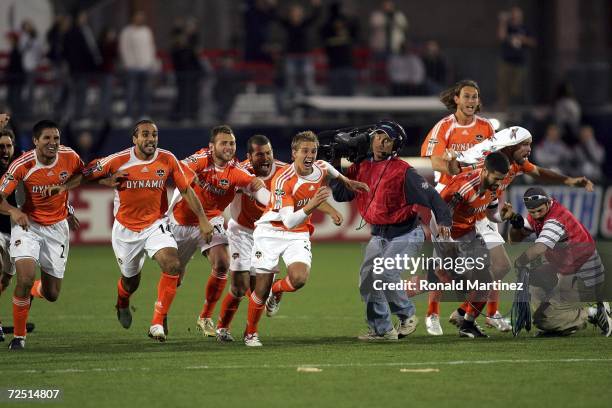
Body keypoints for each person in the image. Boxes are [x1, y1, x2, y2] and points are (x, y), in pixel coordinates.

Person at [444, 126, 594, 332]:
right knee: (447, 276)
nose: (529, 149)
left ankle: (466, 315)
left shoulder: (517, 164)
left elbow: (540, 172)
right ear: (511, 146)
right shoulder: (484, 162)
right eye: (525, 144)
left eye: (530, 145)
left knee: (501, 266)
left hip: (485, 216)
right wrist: (452, 162)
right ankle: (460, 313)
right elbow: (455, 175)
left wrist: (567, 180)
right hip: (463, 221)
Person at [83, 120, 211, 342]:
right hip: (125, 230)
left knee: (173, 264)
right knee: (131, 281)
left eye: (154, 134)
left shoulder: (167, 158)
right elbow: (86, 172)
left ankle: (157, 322)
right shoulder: (119, 160)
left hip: (155, 224)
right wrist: (107, 180)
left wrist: (203, 219)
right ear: (134, 138)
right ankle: (122, 301)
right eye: (145, 134)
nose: (151, 139)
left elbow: (186, 190)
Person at [243, 131, 368, 346]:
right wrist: (313, 205)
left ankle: (277, 289)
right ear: (294, 153)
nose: (309, 155)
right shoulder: (283, 180)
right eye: (304, 151)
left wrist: (347, 181)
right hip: (270, 232)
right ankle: (251, 332)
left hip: (297, 234)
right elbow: (288, 221)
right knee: (260, 290)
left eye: (313, 150)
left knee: (299, 279)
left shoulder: (318, 167)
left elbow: (327, 167)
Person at [330, 121, 452, 340]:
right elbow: (341, 195)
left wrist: (444, 220)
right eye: (378, 136)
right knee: (368, 280)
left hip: (406, 233)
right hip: (378, 235)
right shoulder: (361, 165)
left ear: (395, 146)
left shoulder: (403, 171)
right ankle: (382, 330)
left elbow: (432, 196)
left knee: (385, 273)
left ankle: (407, 315)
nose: (380, 142)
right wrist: (336, 164)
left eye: (387, 139)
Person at [215, 134, 342, 342]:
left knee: (260, 288)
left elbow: (305, 196)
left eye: (269, 153)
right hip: (243, 231)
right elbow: (219, 191)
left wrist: (330, 210)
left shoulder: (284, 171)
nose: (265, 159)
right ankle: (223, 327)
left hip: (272, 230)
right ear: (249, 156)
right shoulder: (240, 172)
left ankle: (262, 311)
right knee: (239, 286)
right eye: (259, 155)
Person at [167, 125, 267, 338]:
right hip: (181, 221)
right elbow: (178, 171)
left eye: (232, 143)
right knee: (175, 273)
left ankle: (205, 317)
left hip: (212, 219)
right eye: (224, 143)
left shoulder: (237, 171)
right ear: (212, 146)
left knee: (222, 262)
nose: (229, 147)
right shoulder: (200, 159)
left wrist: (269, 198)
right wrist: (201, 218)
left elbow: (256, 189)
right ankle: (162, 314)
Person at [0, 120, 84, 350]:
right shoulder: (22, 165)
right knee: (24, 277)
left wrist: (67, 201)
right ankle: (19, 337)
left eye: (56, 138)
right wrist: (15, 211)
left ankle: (36, 290)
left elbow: (83, 175)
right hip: (28, 226)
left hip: (56, 229)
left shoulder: (70, 157)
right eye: (46, 138)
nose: (52, 143)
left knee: (52, 293)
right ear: (35, 141)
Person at [420, 79, 495, 335]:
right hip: (447, 203)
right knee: (444, 262)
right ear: (456, 99)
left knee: (492, 262)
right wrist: (458, 167)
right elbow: (437, 163)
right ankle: (432, 314)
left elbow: (494, 162)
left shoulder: (486, 127)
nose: (472, 101)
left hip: (476, 203)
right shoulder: (444, 127)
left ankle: (473, 314)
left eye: (475, 97)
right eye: (467, 96)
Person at [502, 187, 611, 337]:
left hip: (583, 277)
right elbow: (513, 241)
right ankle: (559, 323)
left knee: (543, 319)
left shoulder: (556, 219)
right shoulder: (538, 212)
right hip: (567, 270)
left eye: (539, 211)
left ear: (548, 203)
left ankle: (593, 312)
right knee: (532, 278)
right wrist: (514, 222)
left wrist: (519, 262)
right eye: (532, 212)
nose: (536, 215)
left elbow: (539, 248)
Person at [432, 152, 511, 338]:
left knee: (496, 272)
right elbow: (439, 213)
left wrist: (502, 216)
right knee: (453, 279)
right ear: (484, 171)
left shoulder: (494, 187)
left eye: (501, 179)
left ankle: (466, 321)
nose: (498, 183)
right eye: (496, 178)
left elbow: (490, 215)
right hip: (449, 236)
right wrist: (447, 245)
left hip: (469, 233)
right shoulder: (462, 187)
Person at [119, 11, 157, 120]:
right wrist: (128, 63)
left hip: (146, 66)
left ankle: (143, 114)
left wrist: (152, 62)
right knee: (131, 93)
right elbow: (124, 48)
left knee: (145, 93)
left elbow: (151, 47)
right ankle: (128, 115)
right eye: (137, 17)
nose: (139, 19)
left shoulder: (147, 31)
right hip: (132, 67)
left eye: (141, 18)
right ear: (133, 18)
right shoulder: (127, 31)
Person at [496, 6, 536, 110]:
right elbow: (501, 36)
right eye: (513, 15)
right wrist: (503, 22)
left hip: (520, 62)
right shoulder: (508, 28)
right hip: (506, 60)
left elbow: (533, 42)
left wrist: (522, 39)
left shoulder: (525, 28)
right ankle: (503, 107)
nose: (515, 18)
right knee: (503, 85)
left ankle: (517, 106)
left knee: (516, 88)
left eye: (517, 15)